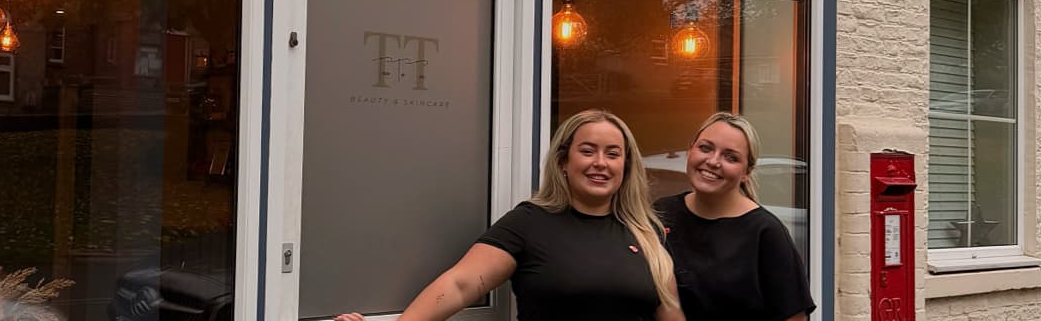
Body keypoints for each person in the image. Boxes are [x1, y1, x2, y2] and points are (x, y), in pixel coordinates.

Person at [335, 109, 683, 321]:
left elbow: (669, 314)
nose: (600, 163)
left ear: (625, 165)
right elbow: (459, 285)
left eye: (612, 154)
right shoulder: (530, 224)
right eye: (587, 151)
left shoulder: (647, 233)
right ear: (563, 162)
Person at [653, 112, 814, 321]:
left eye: (731, 157)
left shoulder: (765, 233)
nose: (713, 161)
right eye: (705, 148)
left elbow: (794, 317)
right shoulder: (661, 213)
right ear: (690, 148)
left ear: (747, 172)